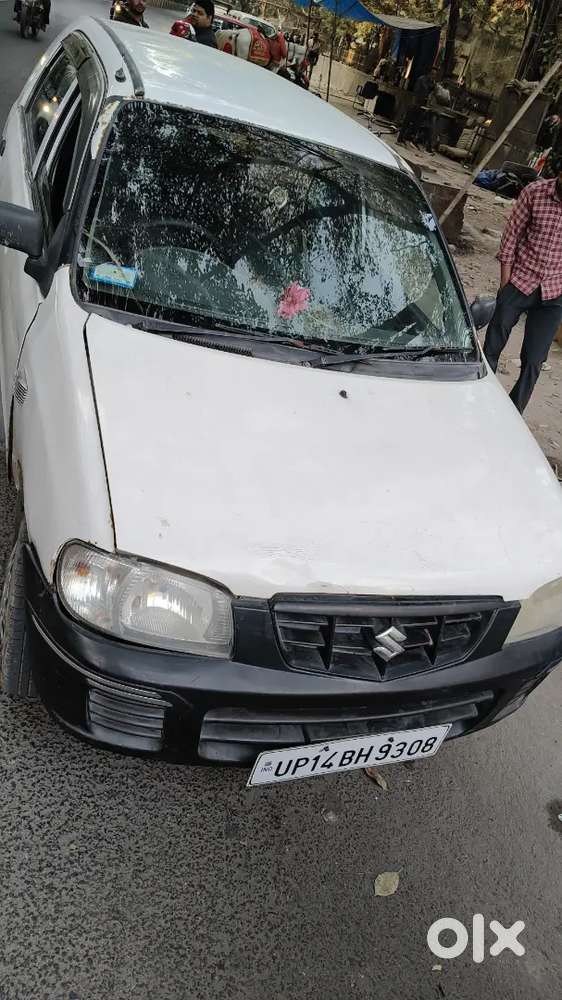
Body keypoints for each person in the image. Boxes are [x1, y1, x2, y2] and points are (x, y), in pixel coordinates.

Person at [484, 162, 562, 413]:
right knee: (492, 346)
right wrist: (505, 284)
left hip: (555, 291)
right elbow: (511, 238)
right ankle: (483, 398)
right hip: (520, 280)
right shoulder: (535, 193)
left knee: (534, 361)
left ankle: (513, 413)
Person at [397, 66, 438, 149]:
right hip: (414, 104)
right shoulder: (422, 80)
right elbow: (424, 89)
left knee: (416, 124)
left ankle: (409, 138)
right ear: (429, 73)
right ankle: (400, 139)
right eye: (433, 74)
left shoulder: (429, 81)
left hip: (420, 105)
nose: (434, 76)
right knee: (407, 122)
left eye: (435, 75)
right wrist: (433, 86)